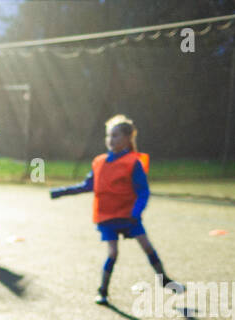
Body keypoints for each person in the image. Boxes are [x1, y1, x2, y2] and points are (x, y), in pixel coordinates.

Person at [50, 114, 181, 304]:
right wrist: (61, 192)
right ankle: (103, 290)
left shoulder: (133, 163)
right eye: (109, 136)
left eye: (116, 136)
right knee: (113, 253)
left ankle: (165, 280)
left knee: (147, 247)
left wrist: (135, 213)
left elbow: (143, 192)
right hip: (106, 217)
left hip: (129, 217)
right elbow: (88, 185)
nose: (111, 140)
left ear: (127, 139)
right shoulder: (99, 162)